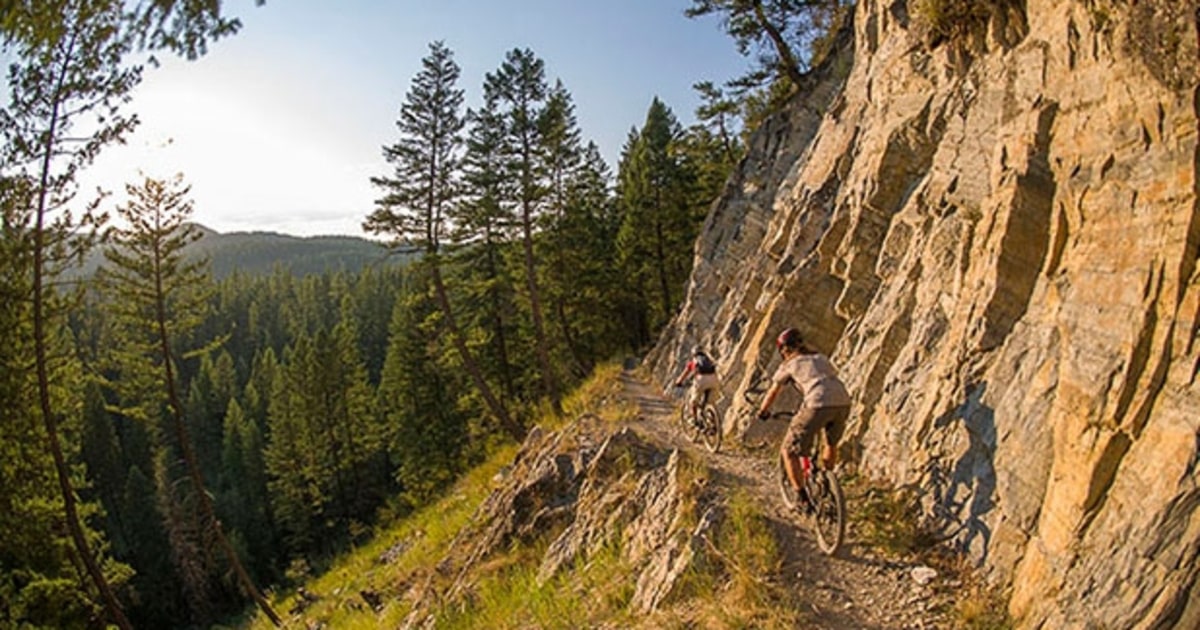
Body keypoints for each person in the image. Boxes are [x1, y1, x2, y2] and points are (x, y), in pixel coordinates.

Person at [757, 328, 850, 503]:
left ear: (784, 349)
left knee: (789, 451)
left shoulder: (789, 364)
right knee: (831, 443)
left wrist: (763, 410)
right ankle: (828, 481)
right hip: (843, 401)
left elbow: (773, 392)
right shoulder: (820, 358)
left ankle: (801, 497)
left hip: (817, 403)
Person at [672, 346, 719, 424]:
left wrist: (678, 382)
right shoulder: (709, 360)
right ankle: (713, 423)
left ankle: (695, 420)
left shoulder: (693, 361)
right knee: (709, 402)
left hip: (701, 380)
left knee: (693, 402)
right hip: (714, 380)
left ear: (694, 354)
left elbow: (684, 374)